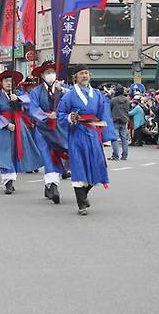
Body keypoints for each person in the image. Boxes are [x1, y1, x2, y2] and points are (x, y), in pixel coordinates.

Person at [57, 64, 116, 216]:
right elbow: (61, 114)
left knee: (98, 164)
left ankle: (84, 192)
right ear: (75, 77)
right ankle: (81, 203)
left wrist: (107, 136)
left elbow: (105, 115)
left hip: (94, 133)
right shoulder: (69, 96)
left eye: (86, 73)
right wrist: (69, 117)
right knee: (78, 166)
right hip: (77, 134)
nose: (85, 76)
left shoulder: (97, 94)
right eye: (81, 73)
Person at [0, 70, 42, 195]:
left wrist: (17, 99)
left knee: (17, 151)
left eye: (10, 81)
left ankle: (14, 176)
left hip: (18, 125)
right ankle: (8, 182)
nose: (8, 83)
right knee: (4, 152)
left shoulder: (18, 94)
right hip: (3, 128)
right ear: (1, 83)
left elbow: (30, 102)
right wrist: (6, 124)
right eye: (6, 81)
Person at [29, 61, 69, 204]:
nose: (50, 75)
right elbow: (33, 109)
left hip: (59, 127)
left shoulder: (62, 89)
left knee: (60, 153)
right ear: (42, 75)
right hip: (43, 127)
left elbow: (73, 100)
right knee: (47, 155)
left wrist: (63, 91)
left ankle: (49, 184)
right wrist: (46, 116)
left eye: (52, 72)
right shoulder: (36, 92)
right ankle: (53, 186)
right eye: (47, 72)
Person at [109, 85, 130, 160]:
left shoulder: (113, 100)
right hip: (124, 120)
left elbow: (109, 109)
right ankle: (124, 155)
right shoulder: (127, 100)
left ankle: (115, 155)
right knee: (124, 139)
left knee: (114, 138)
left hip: (115, 120)